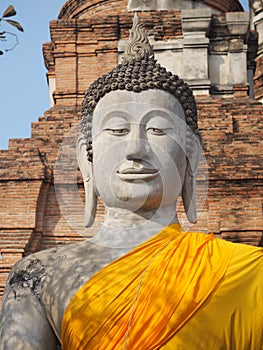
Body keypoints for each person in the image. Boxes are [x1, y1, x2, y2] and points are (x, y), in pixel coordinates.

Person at [0, 14, 262, 350]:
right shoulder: (38, 277)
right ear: (86, 158)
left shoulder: (246, 273)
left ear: (191, 156)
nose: (136, 149)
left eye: (158, 130)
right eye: (117, 130)